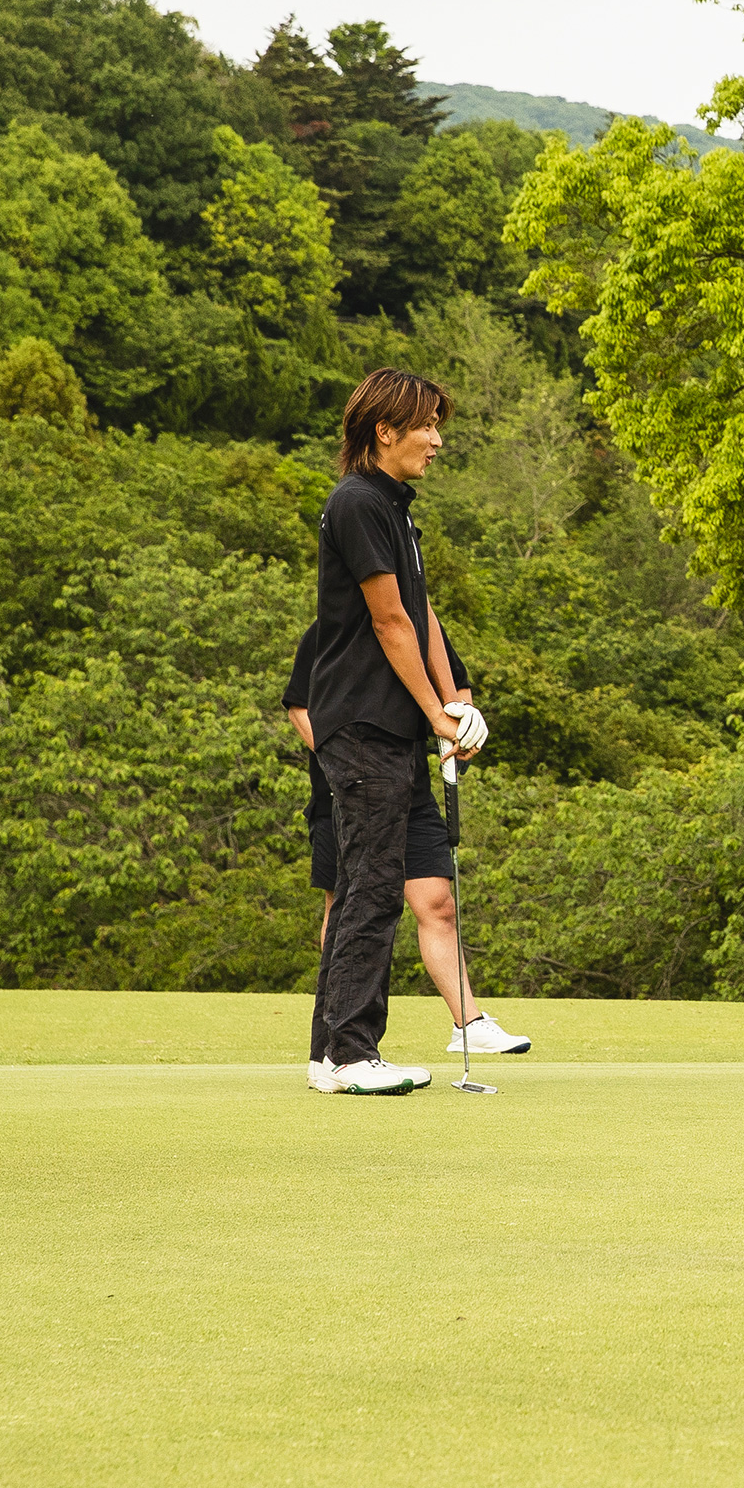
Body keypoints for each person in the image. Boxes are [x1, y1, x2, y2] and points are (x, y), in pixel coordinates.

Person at [304, 367, 490, 1096]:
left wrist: (452, 707)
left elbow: (423, 616)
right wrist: (435, 710)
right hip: (362, 722)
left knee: (365, 883)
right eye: (427, 426)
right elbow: (387, 623)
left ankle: (330, 1054)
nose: (437, 440)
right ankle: (352, 1055)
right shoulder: (356, 503)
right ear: (385, 430)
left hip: (394, 728)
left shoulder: (394, 509)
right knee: (373, 886)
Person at [285, 625, 528, 1088]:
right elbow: (299, 705)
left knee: (437, 902)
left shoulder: (421, 627)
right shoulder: (331, 631)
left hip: (409, 785)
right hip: (345, 786)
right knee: (347, 905)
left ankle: (469, 1023)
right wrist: (342, 758)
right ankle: (331, 1047)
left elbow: (455, 688)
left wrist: (465, 724)